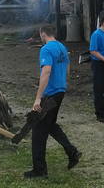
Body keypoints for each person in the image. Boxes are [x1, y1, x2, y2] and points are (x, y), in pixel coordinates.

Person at [24, 25, 81, 179]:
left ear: (43, 34)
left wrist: (38, 98)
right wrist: (63, 82)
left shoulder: (46, 49)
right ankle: (72, 152)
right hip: (60, 91)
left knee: (38, 131)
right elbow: (68, 67)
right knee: (50, 125)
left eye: (40, 35)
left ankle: (39, 170)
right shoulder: (61, 47)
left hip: (49, 95)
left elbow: (46, 71)